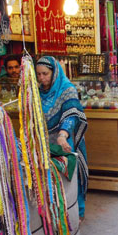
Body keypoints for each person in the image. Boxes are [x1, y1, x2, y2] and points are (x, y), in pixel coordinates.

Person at [36, 56, 89, 218]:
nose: (42, 78)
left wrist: (62, 135)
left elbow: (71, 115)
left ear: (54, 72)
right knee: (50, 178)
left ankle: (76, 213)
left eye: (45, 74)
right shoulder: (37, 92)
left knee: (70, 177)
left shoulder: (67, 89)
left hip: (64, 140)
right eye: (38, 74)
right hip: (45, 142)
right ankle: (55, 214)